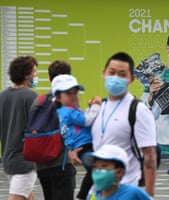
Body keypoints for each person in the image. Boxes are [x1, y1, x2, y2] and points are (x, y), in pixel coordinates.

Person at [69, 52, 157, 198]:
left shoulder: (138, 110)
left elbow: (150, 156)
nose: (115, 78)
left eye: (122, 74)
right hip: (98, 191)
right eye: (112, 72)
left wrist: (149, 194)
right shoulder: (97, 108)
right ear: (104, 74)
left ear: (131, 79)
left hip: (126, 189)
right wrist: (73, 152)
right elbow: (86, 140)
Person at [52, 74, 101, 200]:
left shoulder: (63, 111)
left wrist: (90, 108)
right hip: (84, 146)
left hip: (77, 147)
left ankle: (88, 195)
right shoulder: (69, 111)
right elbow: (87, 121)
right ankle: (83, 195)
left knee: (96, 170)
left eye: (76, 93)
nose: (74, 97)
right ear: (58, 97)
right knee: (96, 168)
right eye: (69, 94)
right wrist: (96, 106)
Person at [36, 60, 77, 200]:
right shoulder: (68, 103)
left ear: (49, 78)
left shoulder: (39, 102)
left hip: (42, 166)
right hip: (62, 164)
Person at [0, 56, 39, 200]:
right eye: (34, 71)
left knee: (22, 193)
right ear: (26, 75)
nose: (36, 75)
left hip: (8, 159)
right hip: (25, 161)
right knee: (23, 196)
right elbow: (38, 128)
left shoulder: (2, 96)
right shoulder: (31, 96)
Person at [83, 144, 152, 200]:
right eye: (95, 167)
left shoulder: (133, 192)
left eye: (104, 166)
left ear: (120, 172)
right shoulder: (92, 197)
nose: (98, 171)